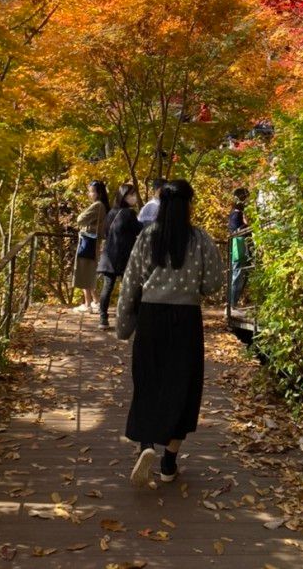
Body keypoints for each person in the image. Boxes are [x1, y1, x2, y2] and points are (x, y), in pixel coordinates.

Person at [116, 179, 223, 486]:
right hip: (186, 319)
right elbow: (213, 282)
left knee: (148, 381)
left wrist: (124, 325)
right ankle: (168, 463)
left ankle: (146, 446)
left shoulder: (147, 236)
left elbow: (130, 283)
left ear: (161, 205)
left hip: (151, 317)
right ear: (188, 205)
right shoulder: (199, 238)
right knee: (183, 388)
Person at [97, 183, 142, 330]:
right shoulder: (129, 214)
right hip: (124, 256)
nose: (134, 198)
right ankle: (128, 318)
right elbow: (138, 229)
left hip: (109, 256)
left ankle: (103, 318)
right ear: (124, 196)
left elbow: (105, 232)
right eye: (132, 195)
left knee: (107, 287)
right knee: (128, 288)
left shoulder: (111, 212)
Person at [72, 180, 109, 313]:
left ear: (98, 193)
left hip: (89, 243)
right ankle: (95, 301)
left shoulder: (97, 205)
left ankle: (87, 304)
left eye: (92, 191)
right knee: (87, 271)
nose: (89, 194)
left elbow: (80, 219)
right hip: (93, 243)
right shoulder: (101, 205)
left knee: (84, 271)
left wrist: (84, 221)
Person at [228, 187, 252, 308]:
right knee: (237, 275)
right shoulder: (235, 214)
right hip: (239, 246)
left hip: (244, 247)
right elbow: (234, 231)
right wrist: (246, 226)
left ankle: (234, 303)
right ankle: (232, 304)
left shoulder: (239, 213)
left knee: (242, 274)